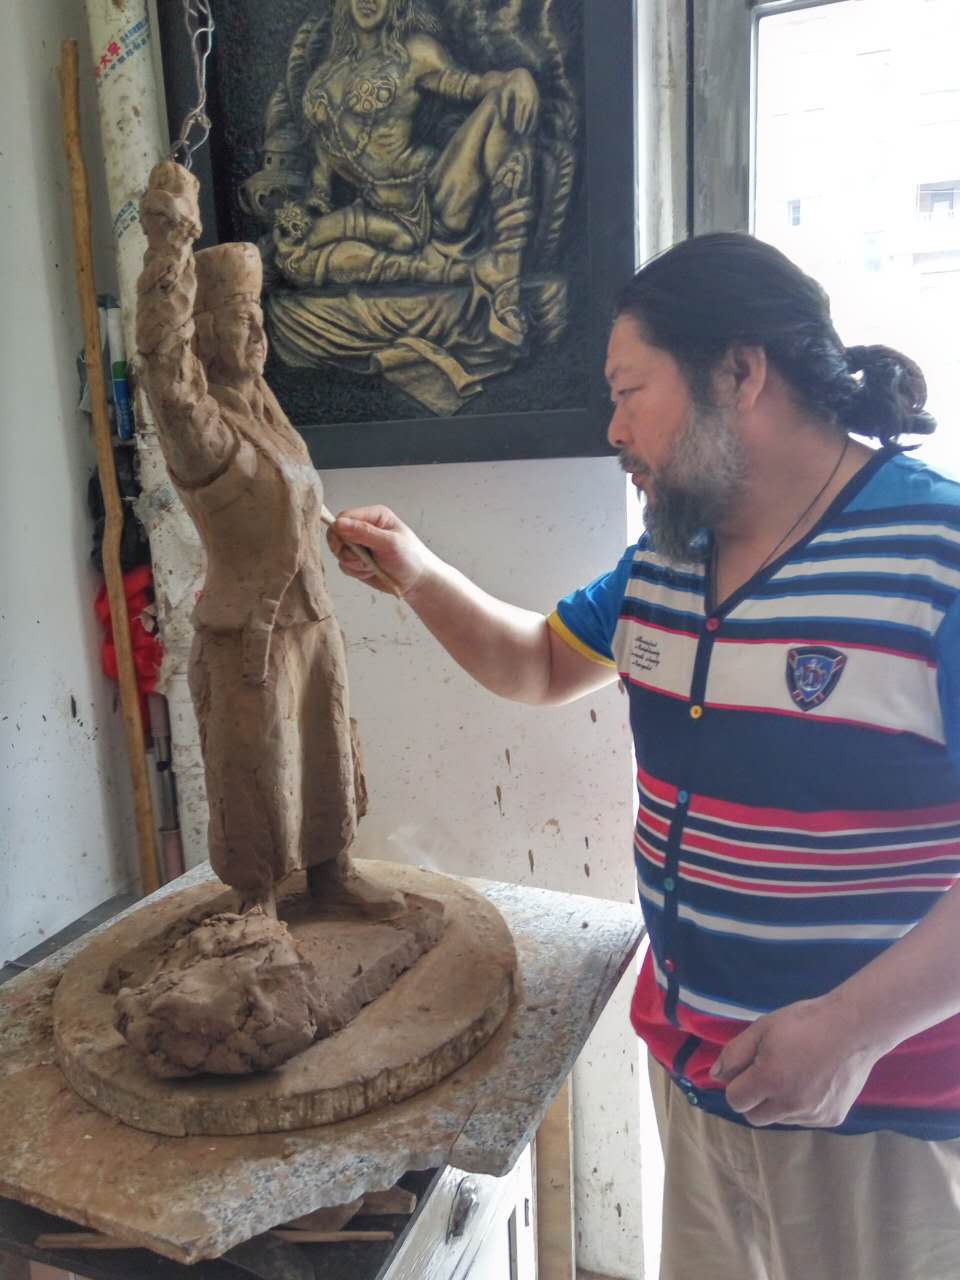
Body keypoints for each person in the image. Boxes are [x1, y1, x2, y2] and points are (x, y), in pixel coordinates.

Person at [327, 232, 960, 1279]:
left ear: (740, 372)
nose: (615, 428)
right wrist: (418, 572)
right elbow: (537, 663)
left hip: (882, 1104)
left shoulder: (936, 556)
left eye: (629, 391)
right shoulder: (668, 558)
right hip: (701, 1073)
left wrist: (850, 1029)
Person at [136, 160, 399, 918]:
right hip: (247, 631)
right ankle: (256, 903)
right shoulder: (203, 427)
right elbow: (163, 366)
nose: (257, 332)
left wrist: (342, 534)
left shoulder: (266, 408)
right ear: (204, 333)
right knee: (252, 763)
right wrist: (171, 237)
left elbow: (291, 501)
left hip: (311, 619)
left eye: (258, 317)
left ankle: (331, 872)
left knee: (326, 749)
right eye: (239, 320)